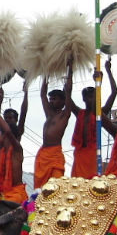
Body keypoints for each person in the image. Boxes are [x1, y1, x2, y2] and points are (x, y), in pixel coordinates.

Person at [69, 59, 117, 179]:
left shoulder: (101, 113)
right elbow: (67, 97)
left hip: (93, 154)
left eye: (92, 96)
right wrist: (70, 70)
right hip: (79, 154)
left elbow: (114, 92)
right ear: (84, 98)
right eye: (87, 97)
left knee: (92, 184)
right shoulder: (79, 112)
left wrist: (105, 75)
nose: (90, 99)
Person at [34, 56, 73, 189]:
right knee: (41, 190)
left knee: (56, 188)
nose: (51, 101)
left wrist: (69, 68)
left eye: (55, 99)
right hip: (43, 154)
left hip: (55, 155)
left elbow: (68, 90)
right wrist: (46, 72)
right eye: (51, 99)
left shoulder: (64, 114)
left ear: (62, 101)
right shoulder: (49, 115)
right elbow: (42, 94)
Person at [0, 97, 27, 203]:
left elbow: (7, 131)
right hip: (1, 192)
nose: (1, 137)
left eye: (3, 135)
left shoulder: (17, 149)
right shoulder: (0, 151)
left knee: (6, 204)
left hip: (16, 193)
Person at [0, 81, 28, 184]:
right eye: (5, 118)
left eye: (10, 118)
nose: (7, 120)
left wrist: (26, 93)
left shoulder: (18, 130)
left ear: (15, 120)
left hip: (11, 165)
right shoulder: (2, 131)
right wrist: (0, 99)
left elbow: (23, 113)